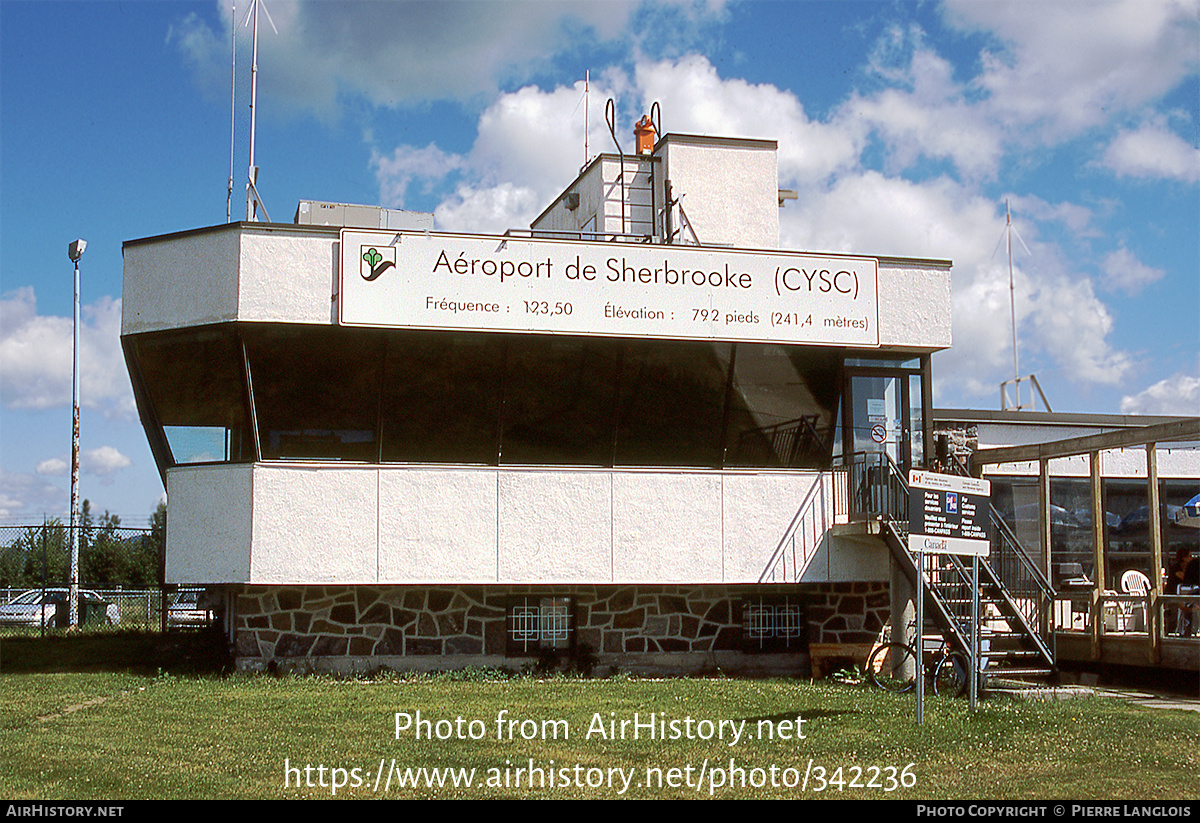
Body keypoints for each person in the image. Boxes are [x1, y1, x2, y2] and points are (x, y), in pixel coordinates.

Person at [1166, 547, 1197, 636]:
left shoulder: (1189, 568)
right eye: (1190, 556)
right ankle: (1176, 630)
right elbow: (1186, 579)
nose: (1192, 558)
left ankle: (1189, 629)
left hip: (1185, 596)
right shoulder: (1176, 568)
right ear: (1184, 558)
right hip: (1173, 597)